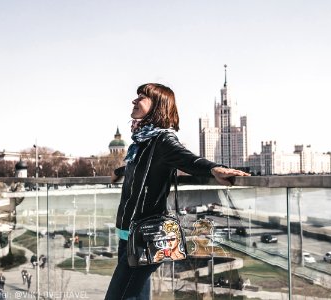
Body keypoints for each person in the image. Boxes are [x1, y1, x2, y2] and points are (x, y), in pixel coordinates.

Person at [104, 83, 250, 300]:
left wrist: (212, 169)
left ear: (157, 106)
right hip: (128, 236)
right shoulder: (143, 141)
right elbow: (141, 165)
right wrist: (120, 170)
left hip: (144, 237)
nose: (134, 101)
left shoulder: (163, 139)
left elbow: (186, 158)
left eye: (141, 98)